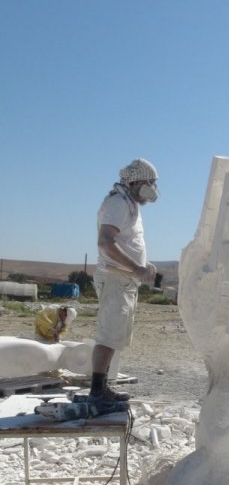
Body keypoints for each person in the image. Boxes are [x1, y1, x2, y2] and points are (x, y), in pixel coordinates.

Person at [88, 158, 158, 411]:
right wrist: (136, 268)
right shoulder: (118, 203)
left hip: (124, 279)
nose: (153, 189)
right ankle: (96, 392)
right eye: (150, 183)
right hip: (116, 278)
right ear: (136, 181)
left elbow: (127, 242)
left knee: (114, 335)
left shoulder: (128, 204)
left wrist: (143, 266)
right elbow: (106, 242)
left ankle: (102, 386)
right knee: (108, 335)